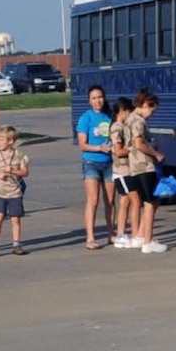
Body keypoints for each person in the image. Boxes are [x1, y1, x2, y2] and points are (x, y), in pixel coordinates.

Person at [123, 91, 168, 254]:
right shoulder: (138, 121)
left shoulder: (129, 119)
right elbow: (139, 143)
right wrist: (156, 154)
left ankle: (141, 235)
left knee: (150, 201)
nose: (152, 114)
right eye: (152, 110)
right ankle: (148, 241)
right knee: (149, 203)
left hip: (134, 167)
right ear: (146, 104)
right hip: (143, 165)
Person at [76, 85, 116, 250]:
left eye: (100, 97)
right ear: (89, 101)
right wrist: (99, 148)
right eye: (94, 98)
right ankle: (90, 237)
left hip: (109, 162)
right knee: (93, 200)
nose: (98, 101)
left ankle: (111, 234)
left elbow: (116, 135)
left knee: (111, 200)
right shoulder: (86, 118)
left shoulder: (109, 117)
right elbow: (82, 144)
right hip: (91, 162)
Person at [0, 125, 30, 257]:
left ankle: (16, 244)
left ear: (11, 141)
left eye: (1, 140)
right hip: (0, 192)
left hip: (15, 192)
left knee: (15, 219)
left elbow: (25, 172)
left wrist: (14, 170)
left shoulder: (19, 156)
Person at [108, 96, 139, 248]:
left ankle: (121, 234)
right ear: (122, 111)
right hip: (123, 170)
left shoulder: (121, 127)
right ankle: (134, 233)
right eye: (129, 112)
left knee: (125, 201)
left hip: (125, 170)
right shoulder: (117, 128)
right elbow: (119, 151)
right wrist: (133, 149)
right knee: (135, 200)